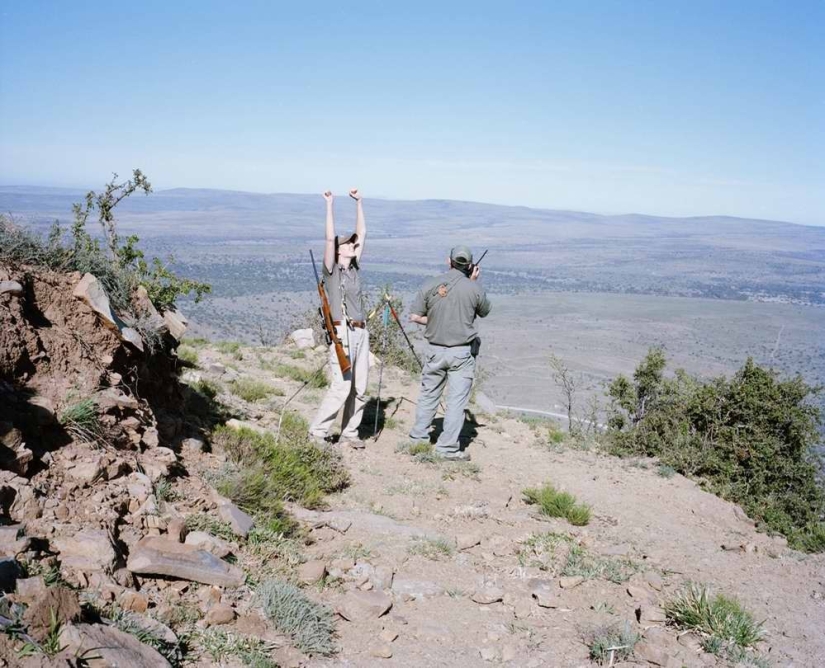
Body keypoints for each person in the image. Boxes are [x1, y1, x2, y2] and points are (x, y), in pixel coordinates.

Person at [408, 245, 491, 460]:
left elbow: (416, 315)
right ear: (470, 266)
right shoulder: (474, 288)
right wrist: (473, 283)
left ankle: (418, 439)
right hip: (461, 354)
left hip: (434, 350)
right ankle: (447, 449)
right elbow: (484, 311)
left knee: (428, 395)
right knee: (456, 402)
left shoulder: (430, 284)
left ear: (449, 261)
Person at [308, 189, 369, 449]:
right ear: (339, 250)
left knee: (361, 388)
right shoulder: (331, 271)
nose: (353, 245)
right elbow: (328, 238)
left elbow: (363, 233)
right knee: (341, 386)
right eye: (348, 244)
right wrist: (330, 205)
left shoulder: (354, 268)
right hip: (341, 331)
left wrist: (359, 203)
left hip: (361, 331)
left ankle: (349, 434)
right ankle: (317, 432)